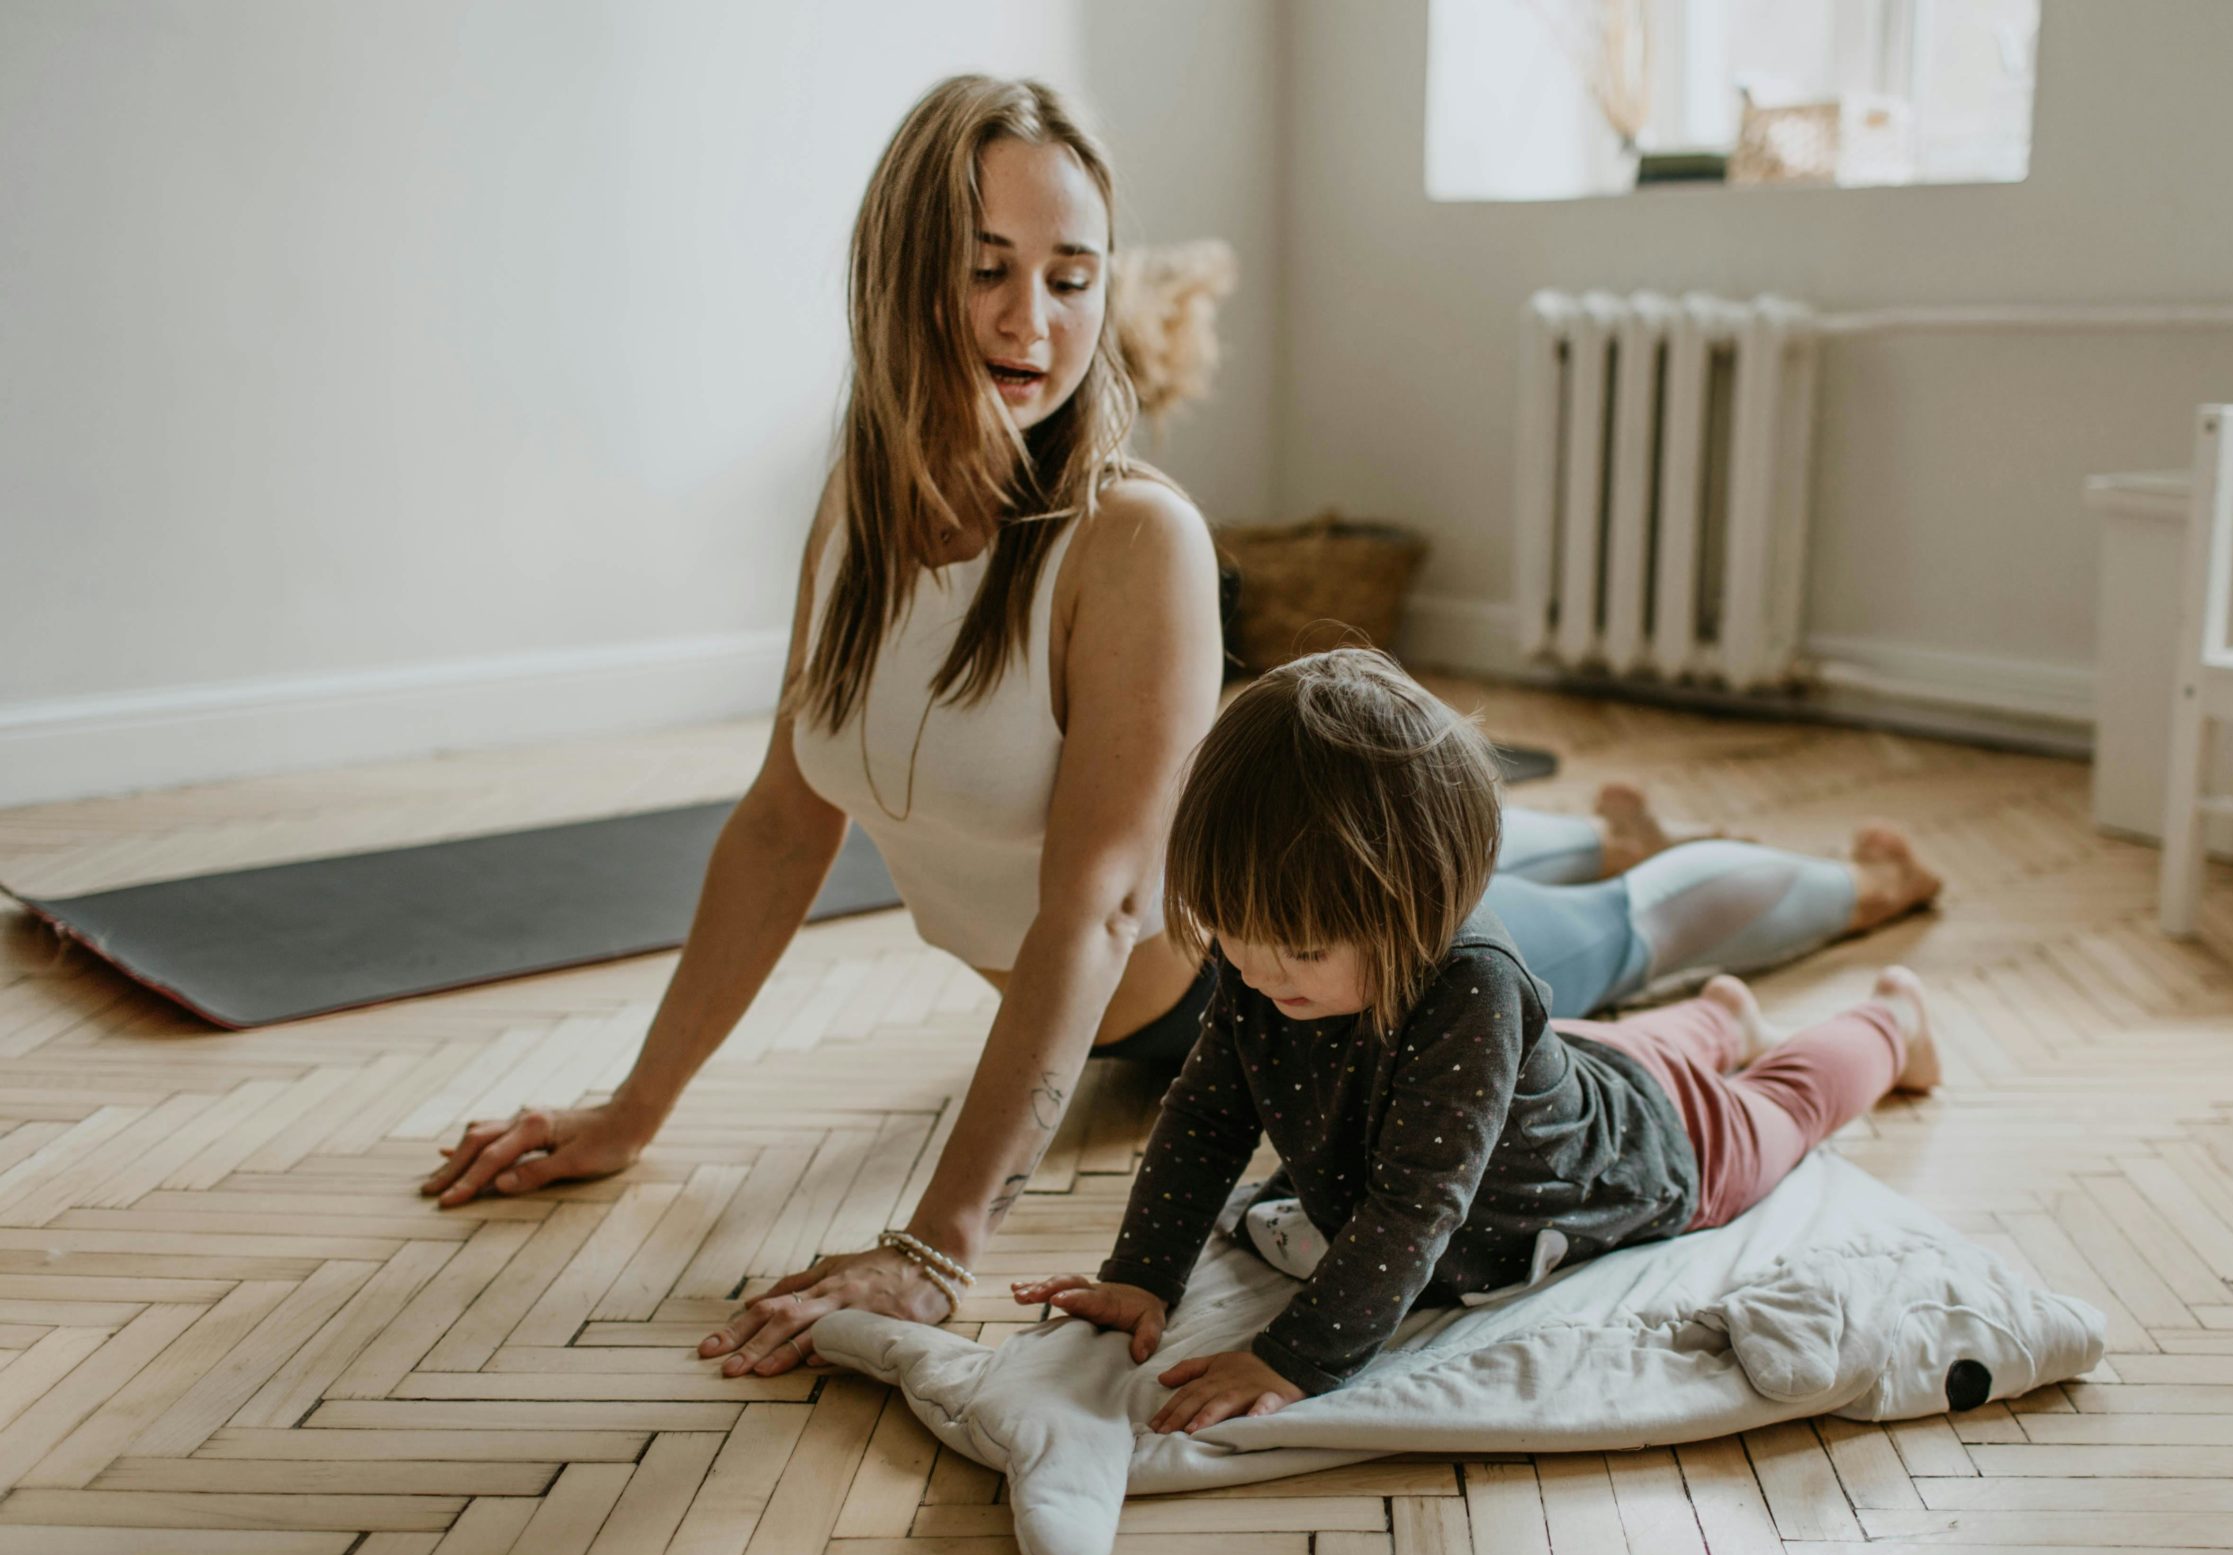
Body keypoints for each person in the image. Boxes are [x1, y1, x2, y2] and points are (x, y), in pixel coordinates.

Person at [420, 74, 1941, 1378]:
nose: (1036, 318)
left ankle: (1856, 896)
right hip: (1245, 947)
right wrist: (636, 1106)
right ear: (896, 274)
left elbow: (1093, 908)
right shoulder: (856, 513)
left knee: (1612, 928)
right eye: (987, 267)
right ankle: (1600, 863)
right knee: (1556, 895)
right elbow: (778, 822)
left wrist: (935, 1246)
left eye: (1073, 274)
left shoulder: (1127, 537)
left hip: (1299, 975)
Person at [1013, 650, 1940, 1428]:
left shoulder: (1474, 988)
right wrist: (1141, 1273)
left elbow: (1416, 1207)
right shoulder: (1267, 961)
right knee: (1618, 1052)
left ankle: (1892, 1021)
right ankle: (1723, 1014)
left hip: (1650, 1146)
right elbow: (1209, 1114)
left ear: (1418, 908)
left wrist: (1291, 1358)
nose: (1254, 972)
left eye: (1296, 948)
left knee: (1782, 1102)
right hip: (1568, 1068)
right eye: (1231, 935)